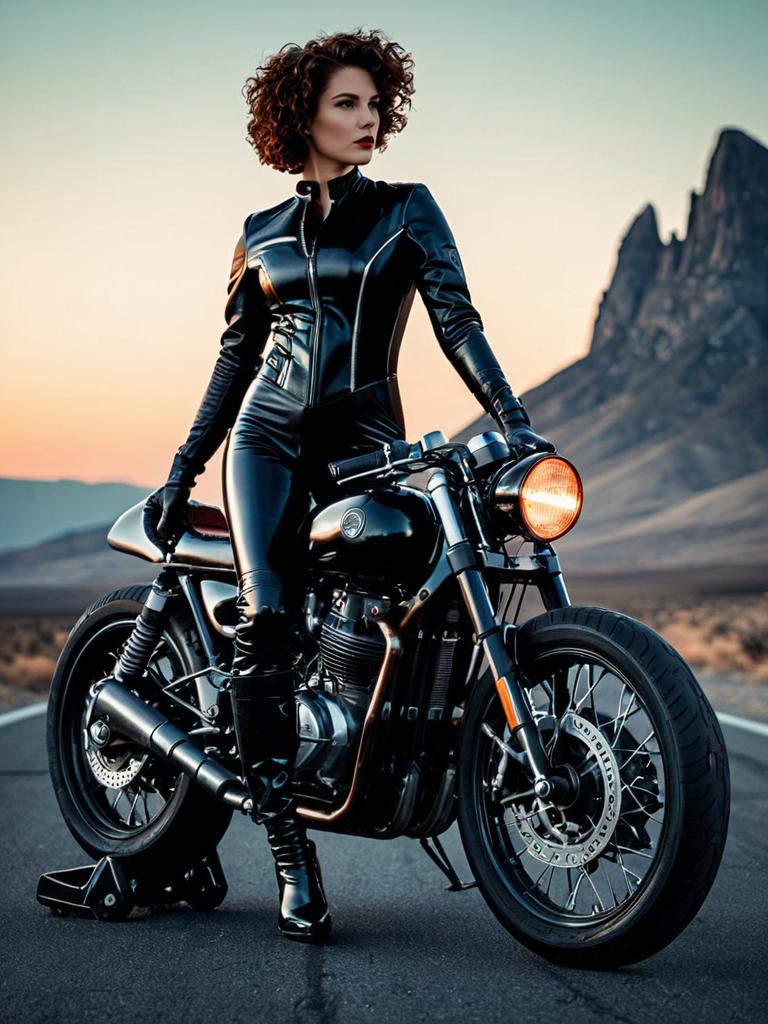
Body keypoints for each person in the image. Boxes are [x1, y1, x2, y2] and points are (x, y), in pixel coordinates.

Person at [144, 28, 554, 943]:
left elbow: (458, 317)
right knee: (270, 619)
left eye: (376, 104)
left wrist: (511, 413)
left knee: (401, 602)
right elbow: (234, 362)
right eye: (347, 104)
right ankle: (291, 853)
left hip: (367, 444)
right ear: (303, 115)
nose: (369, 120)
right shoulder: (259, 235)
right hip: (266, 442)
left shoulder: (408, 209)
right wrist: (181, 468)